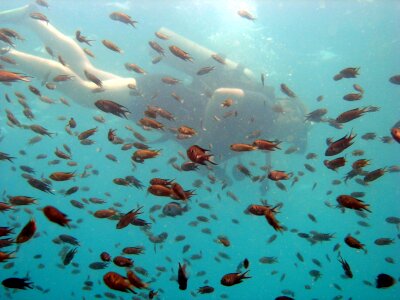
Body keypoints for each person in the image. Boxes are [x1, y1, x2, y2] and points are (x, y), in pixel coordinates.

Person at [0, 3, 308, 187]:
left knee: (84, 70)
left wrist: (216, 163)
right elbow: (223, 94)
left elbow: (220, 141)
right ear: (290, 117)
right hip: (158, 99)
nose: (289, 135)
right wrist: (205, 137)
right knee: (82, 90)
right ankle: (5, 56)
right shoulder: (264, 105)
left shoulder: (260, 132)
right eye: (295, 129)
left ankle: (32, 19)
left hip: (162, 101)